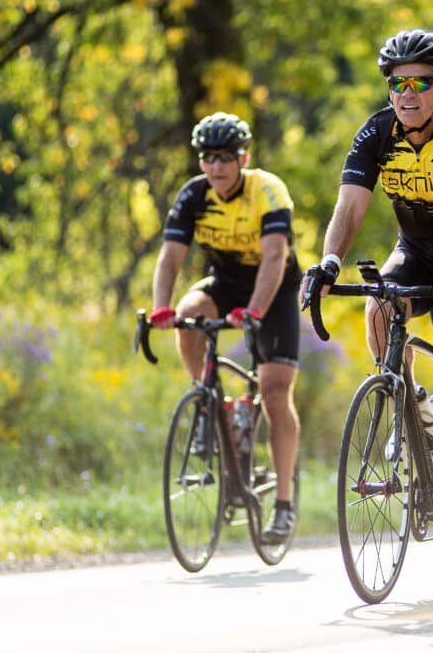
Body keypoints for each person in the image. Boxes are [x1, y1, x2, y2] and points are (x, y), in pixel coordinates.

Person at [304, 29, 433, 566]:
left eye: (420, 82)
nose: (408, 93)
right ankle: (414, 408)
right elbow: (350, 206)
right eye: (398, 83)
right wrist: (330, 261)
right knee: (380, 304)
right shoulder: (377, 132)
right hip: (418, 247)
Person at [150, 112, 302, 545]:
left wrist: (253, 311)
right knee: (187, 314)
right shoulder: (194, 195)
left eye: (225, 158)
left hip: (272, 290)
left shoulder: (267, 190)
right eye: (208, 157)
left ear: (243, 158)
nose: (216, 167)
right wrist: (162, 308)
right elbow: (170, 258)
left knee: (274, 392)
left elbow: (274, 258)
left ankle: (285, 504)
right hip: (225, 280)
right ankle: (209, 398)